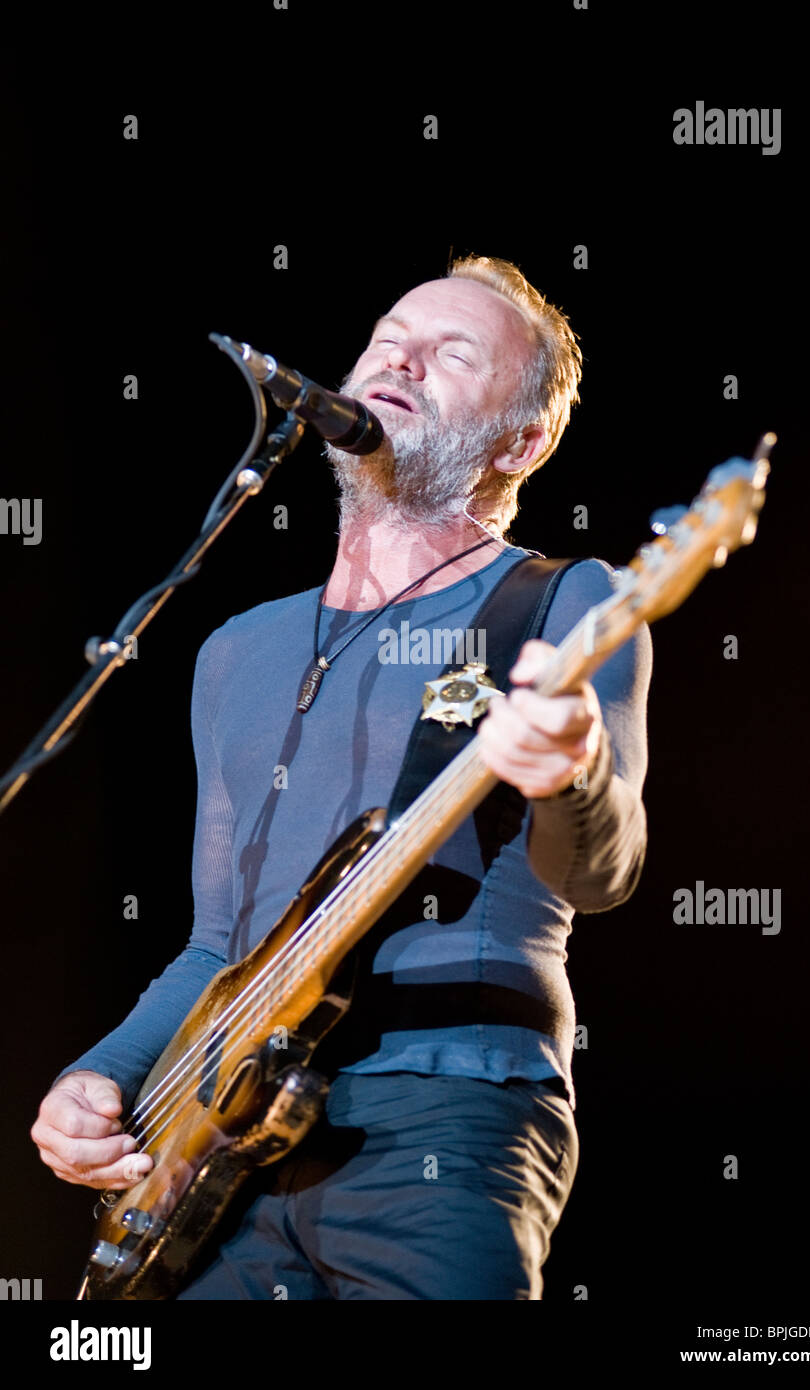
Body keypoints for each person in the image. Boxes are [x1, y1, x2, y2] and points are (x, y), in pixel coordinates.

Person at [31, 255, 652, 1300]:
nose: (398, 356)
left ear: (521, 440)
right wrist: (98, 1075)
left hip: (440, 1107)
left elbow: (603, 870)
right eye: (386, 336)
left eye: (452, 352)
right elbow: (218, 944)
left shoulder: (556, 601)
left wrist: (575, 769)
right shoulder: (237, 647)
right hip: (220, 1143)